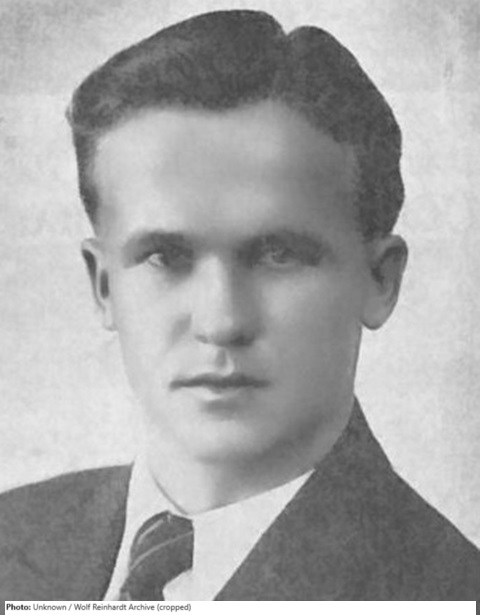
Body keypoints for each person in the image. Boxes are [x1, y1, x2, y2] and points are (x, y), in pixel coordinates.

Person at [1, 9, 479, 602]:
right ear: (104, 286)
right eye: (164, 257)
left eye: (279, 255)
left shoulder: (446, 592)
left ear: (379, 280)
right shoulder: (11, 534)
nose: (221, 322)